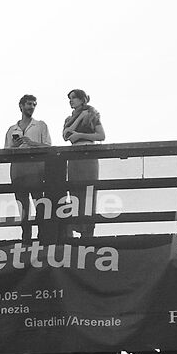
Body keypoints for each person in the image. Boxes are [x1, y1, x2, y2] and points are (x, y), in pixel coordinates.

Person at [4, 93, 51, 244]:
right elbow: (5, 152)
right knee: (22, 206)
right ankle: (26, 238)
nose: (32, 107)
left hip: (36, 170)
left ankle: (43, 236)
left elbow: (48, 147)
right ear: (21, 106)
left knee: (39, 204)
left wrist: (32, 143)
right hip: (18, 171)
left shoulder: (40, 125)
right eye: (29, 104)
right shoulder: (12, 129)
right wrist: (14, 146)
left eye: (34, 104)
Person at [62, 89, 104, 241]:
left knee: (89, 194)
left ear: (82, 99)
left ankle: (88, 233)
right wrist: (79, 118)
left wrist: (81, 135)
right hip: (74, 157)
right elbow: (66, 135)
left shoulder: (92, 115)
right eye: (70, 98)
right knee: (74, 193)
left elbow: (101, 135)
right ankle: (74, 229)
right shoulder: (69, 118)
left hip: (89, 156)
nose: (71, 101)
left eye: (74, 98)